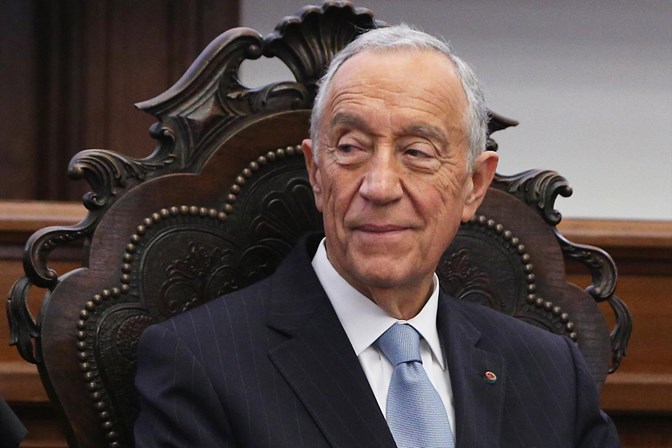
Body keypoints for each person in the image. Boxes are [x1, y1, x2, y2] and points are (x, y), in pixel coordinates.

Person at [134, 24, 620, 447]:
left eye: (417, 152)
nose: (380, 186)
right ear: (316, 172)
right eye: (351, 148)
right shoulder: (199, 363)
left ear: (474, 185)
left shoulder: (550, 370)